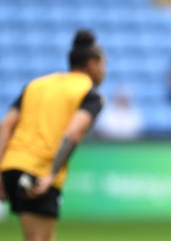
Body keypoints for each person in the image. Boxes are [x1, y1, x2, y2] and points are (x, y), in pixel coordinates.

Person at [0, 29, 106, 241]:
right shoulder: (90, 94)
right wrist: (50, 174)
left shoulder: (37, 85)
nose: (105, 71)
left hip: (12, 165)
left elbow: (5, 125)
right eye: (104, 64)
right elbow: (73, 132)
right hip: (38, 172)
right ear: (92, 64)